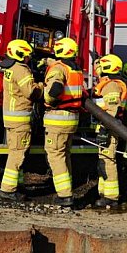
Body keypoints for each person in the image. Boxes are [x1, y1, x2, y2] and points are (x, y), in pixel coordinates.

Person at [0, 39, 43, 201]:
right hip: (20, 120)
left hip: (11, 119)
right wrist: (42, 86)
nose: (29, 59)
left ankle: (17, 184)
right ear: (20, 54)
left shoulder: (9, 68)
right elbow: (31, 92)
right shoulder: (21, 70)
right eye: (27, 56)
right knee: (17, 154)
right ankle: (8, 190)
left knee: (15, 152)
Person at [43, 37, 84, 207]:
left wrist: (47, 99)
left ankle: (65, 195)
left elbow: (56, 88)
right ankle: (68, 186)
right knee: (65, 154)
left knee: (55, 155)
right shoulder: (76, 70)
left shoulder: (59, 68)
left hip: (57, 118)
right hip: (71, 119)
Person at [92, 54, 127, 208]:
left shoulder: (112, 86)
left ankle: (111, 197)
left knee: (108, 162)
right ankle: (103, 193)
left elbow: (111, 111)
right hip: (106, 127)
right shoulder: (109, 83)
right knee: (103, 162)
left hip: (109, 128)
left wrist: (104, 131)